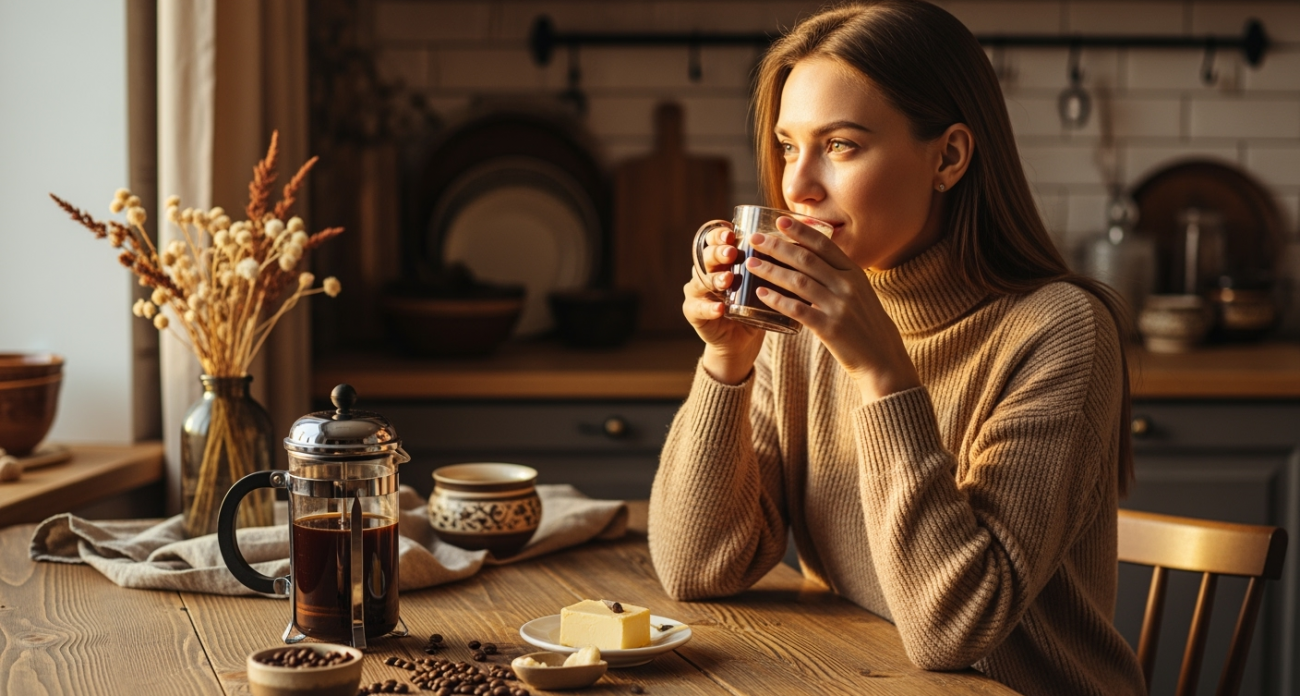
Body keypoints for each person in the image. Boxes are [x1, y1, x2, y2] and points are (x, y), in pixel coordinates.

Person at [646, 2, 1147, 695]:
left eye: (840, 146)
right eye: (789, 146)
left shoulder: (1058, 330)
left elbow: (953, 630)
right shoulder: (799, 324)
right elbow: (696, 568)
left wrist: (881, 372)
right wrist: (727, 362)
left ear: (949, 157)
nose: (796, 186)